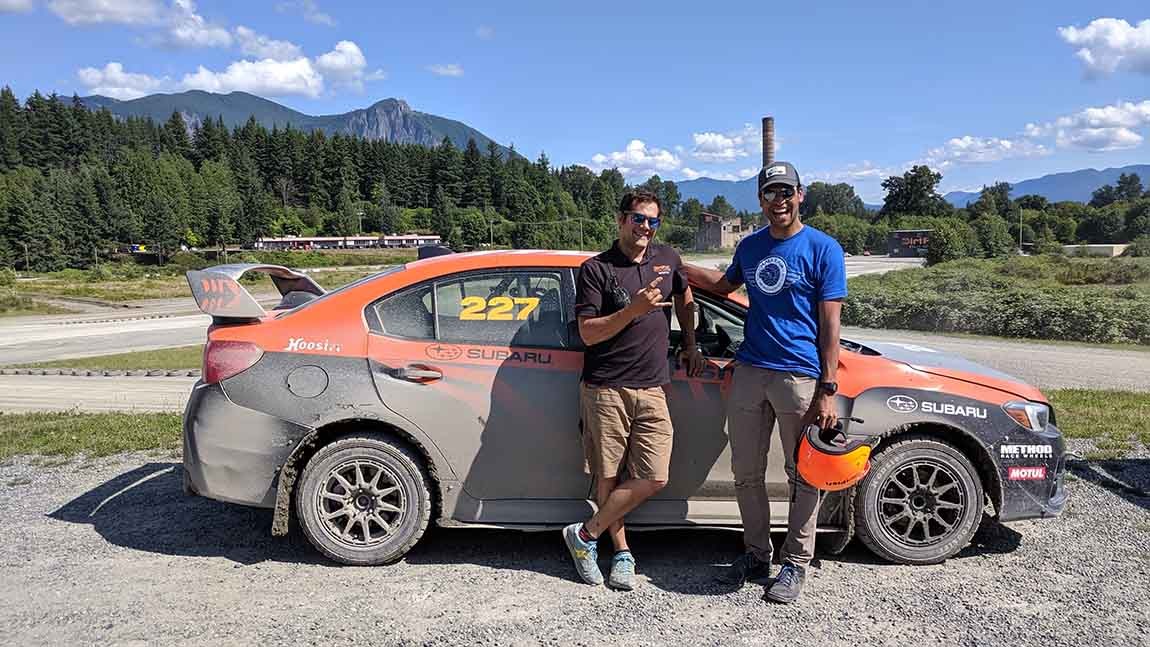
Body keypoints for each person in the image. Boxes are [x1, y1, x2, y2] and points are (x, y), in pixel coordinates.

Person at [684, 161, 847, 604]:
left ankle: (796, 562)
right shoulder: (752, 246)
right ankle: (757, 555)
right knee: (746, 473)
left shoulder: (823, 249)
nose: (779, 201)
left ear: (800, 195)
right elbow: (724, 285)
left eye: (786, 192)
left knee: (803, 473)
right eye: (770, 193)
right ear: (760, 200)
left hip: (799, 375)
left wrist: (827, 389)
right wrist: (679, 267)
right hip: (751, 371)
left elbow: (830, 326)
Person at [562, 189, 704, 590]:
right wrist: (633, 310)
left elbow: (685, 296)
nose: (645, 227)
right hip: (606, 386)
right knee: (608, 475)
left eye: (652, 221)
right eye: (638, 218)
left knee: (655, 476)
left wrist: (690, 343)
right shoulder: (596, 269)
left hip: (653, 384)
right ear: (621, 219)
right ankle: (622, 553)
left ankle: (585, 534)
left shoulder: (668, 258)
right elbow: (588, 333)